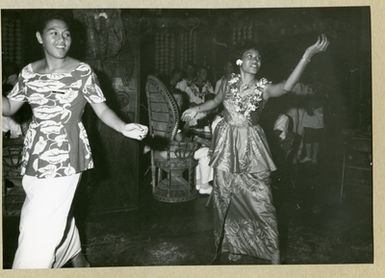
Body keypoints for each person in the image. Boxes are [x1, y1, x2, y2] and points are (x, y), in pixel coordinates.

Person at [2, 13, 148, 269]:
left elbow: (101, 109)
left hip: (66, 154)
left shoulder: (82, 71)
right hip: (34, 152)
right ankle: (75, 255)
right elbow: (8, 107)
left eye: (66, 34)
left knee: (38, 227)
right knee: (42, 213)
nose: (61, 39)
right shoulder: (28, 72)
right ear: (40, 37)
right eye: (54, 33)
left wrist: (124, 126)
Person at [182, 34, 329, 264]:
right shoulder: (227, 82)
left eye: (258, 58)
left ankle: (273, 254)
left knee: (263, 200)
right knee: (225, 198)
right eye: (250, 56)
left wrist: (306, 56)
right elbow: (214, 102)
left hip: (253, 147)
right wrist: (196, 109)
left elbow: (288, 86)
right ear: (240, 61)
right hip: (226, 147)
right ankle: (233, 246)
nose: (255, 59)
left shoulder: (265, 89)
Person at [300, 94, 324, 164]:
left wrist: (308, 107)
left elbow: (309, 109)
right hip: (318, 120)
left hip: (311, 120)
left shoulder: (312, 97)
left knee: (309, 139)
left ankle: (309, 157)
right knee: (316, 140)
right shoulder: (320, 95)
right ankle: (314, 158)